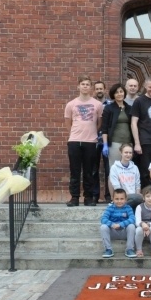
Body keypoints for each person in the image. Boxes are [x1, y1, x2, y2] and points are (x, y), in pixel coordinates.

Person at [64, 75, 104, 207]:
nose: (85, 86)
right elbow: (68, 122)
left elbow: (99, 123)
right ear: (78, 86)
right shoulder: (71, 104)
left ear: (90, 87)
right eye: (83, 84)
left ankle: (88, 197)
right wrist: (75, 134)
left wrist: (91, 133)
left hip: (91, 142)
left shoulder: (97, 104)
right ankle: (74, 197)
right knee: (74, 171)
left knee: (89, 171)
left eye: (87, 84)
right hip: (74, 141)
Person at [101, 83, 133, 185]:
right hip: (114, 143)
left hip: (128, 144)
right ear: (113, 95)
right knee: (114, 170)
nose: (119, 94)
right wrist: (105, 144)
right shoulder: (109, 108)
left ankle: (125, 195)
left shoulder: (129, 108)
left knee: (127, 171)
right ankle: (113, 196)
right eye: (116, 92)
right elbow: (104, 128)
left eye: (121, 91)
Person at [99, 188, 136, 258]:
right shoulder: (110, 208)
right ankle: (108, 249)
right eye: (117, 199)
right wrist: (112, 224)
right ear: (112, 199)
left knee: (131, 226)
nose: (119, 201)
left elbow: (132, 219)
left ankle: (129, 249)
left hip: (124, 231)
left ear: (126, 199)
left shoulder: (128, 208)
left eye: (122, 199)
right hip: (113, 232)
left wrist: (121, 224)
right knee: (103, 227)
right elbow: (103, 219)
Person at [108, 143, 142, 209]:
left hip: (134, 197)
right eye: (126, 152)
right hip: (121, 196)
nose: (128, 155)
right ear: (121, 153)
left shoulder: (135, 168)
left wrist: (137, 195)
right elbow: (116, 186)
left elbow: (137, 184)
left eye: (130, 153)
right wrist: (126, 196)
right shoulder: (114, 168)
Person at [134, 186, 151, 257]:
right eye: (148, 196)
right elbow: (137, 221)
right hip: (141, 226)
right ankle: (139, 249)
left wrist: (147, 225)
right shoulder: (139, 207)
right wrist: (143, 224)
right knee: (139, 230)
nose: (150, 198)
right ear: (143, 198)